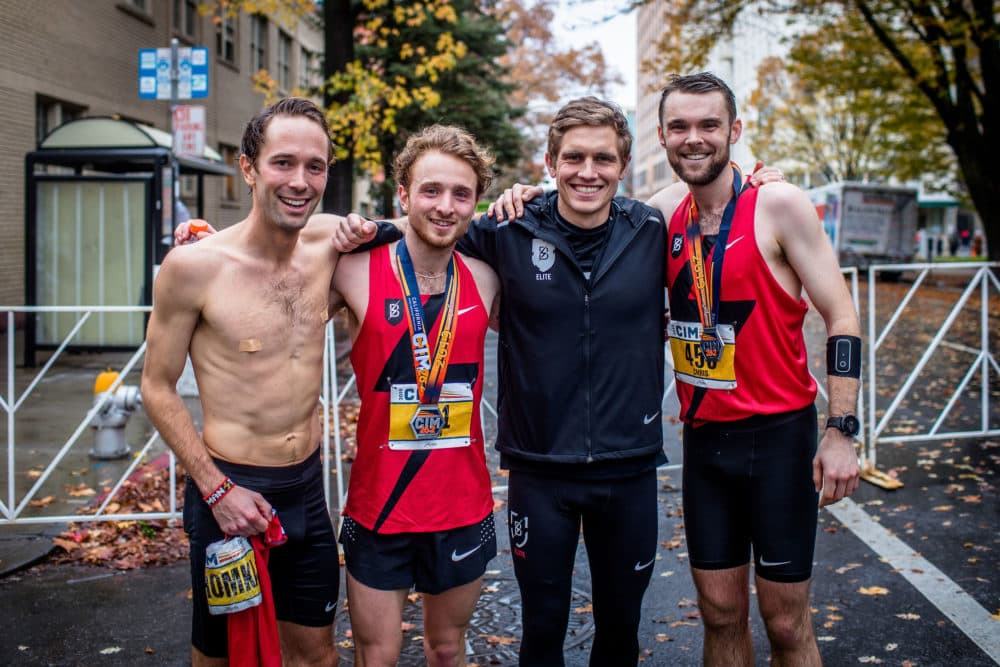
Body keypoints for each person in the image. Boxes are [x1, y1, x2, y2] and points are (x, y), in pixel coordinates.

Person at [335, 97, 706, 666]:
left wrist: (760, 177)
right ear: (550, 162)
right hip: (539, 470)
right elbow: (432, 223)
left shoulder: (649, 227)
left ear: (624, 164)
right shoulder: (507, 230)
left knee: (620, 631)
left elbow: (712, 190)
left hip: (630, 467)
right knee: (542, 633)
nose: (589, 171)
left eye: (603, 158)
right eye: (574, 157)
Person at [142, 97, 383, 667]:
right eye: (282, 163)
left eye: (315, 166)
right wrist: (216, 489)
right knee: (223, 656)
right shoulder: (195, 266)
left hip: (306, 488)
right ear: (247, 168)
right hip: (231, 489)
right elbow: (157, 386)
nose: (300, 181)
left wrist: (517, 206)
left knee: (316, 654)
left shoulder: (332, 241)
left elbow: (433, 226)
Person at [650, 72, 861, 666]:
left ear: (734, 131)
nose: (695, 138)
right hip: (706, 446)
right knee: (719, 617)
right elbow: (576, 207)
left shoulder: (779, 203)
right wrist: (521, 194)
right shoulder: (659, 213)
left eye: (709, 125)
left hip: (779, 442)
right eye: (681, 127)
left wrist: (841, 431)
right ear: (663, 138)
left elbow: (841, 315)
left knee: (788, 624)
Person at [326, 124, 501, 666]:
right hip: (380, 508)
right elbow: (272, 268)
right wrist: (207, 245)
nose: (445, 206)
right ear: (403, 195)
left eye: (461, 194)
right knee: (377, 654)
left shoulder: (487, 277)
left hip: (462, 505)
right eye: (430, 190)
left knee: (448, 649)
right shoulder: (353, 268)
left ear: (476, 202)